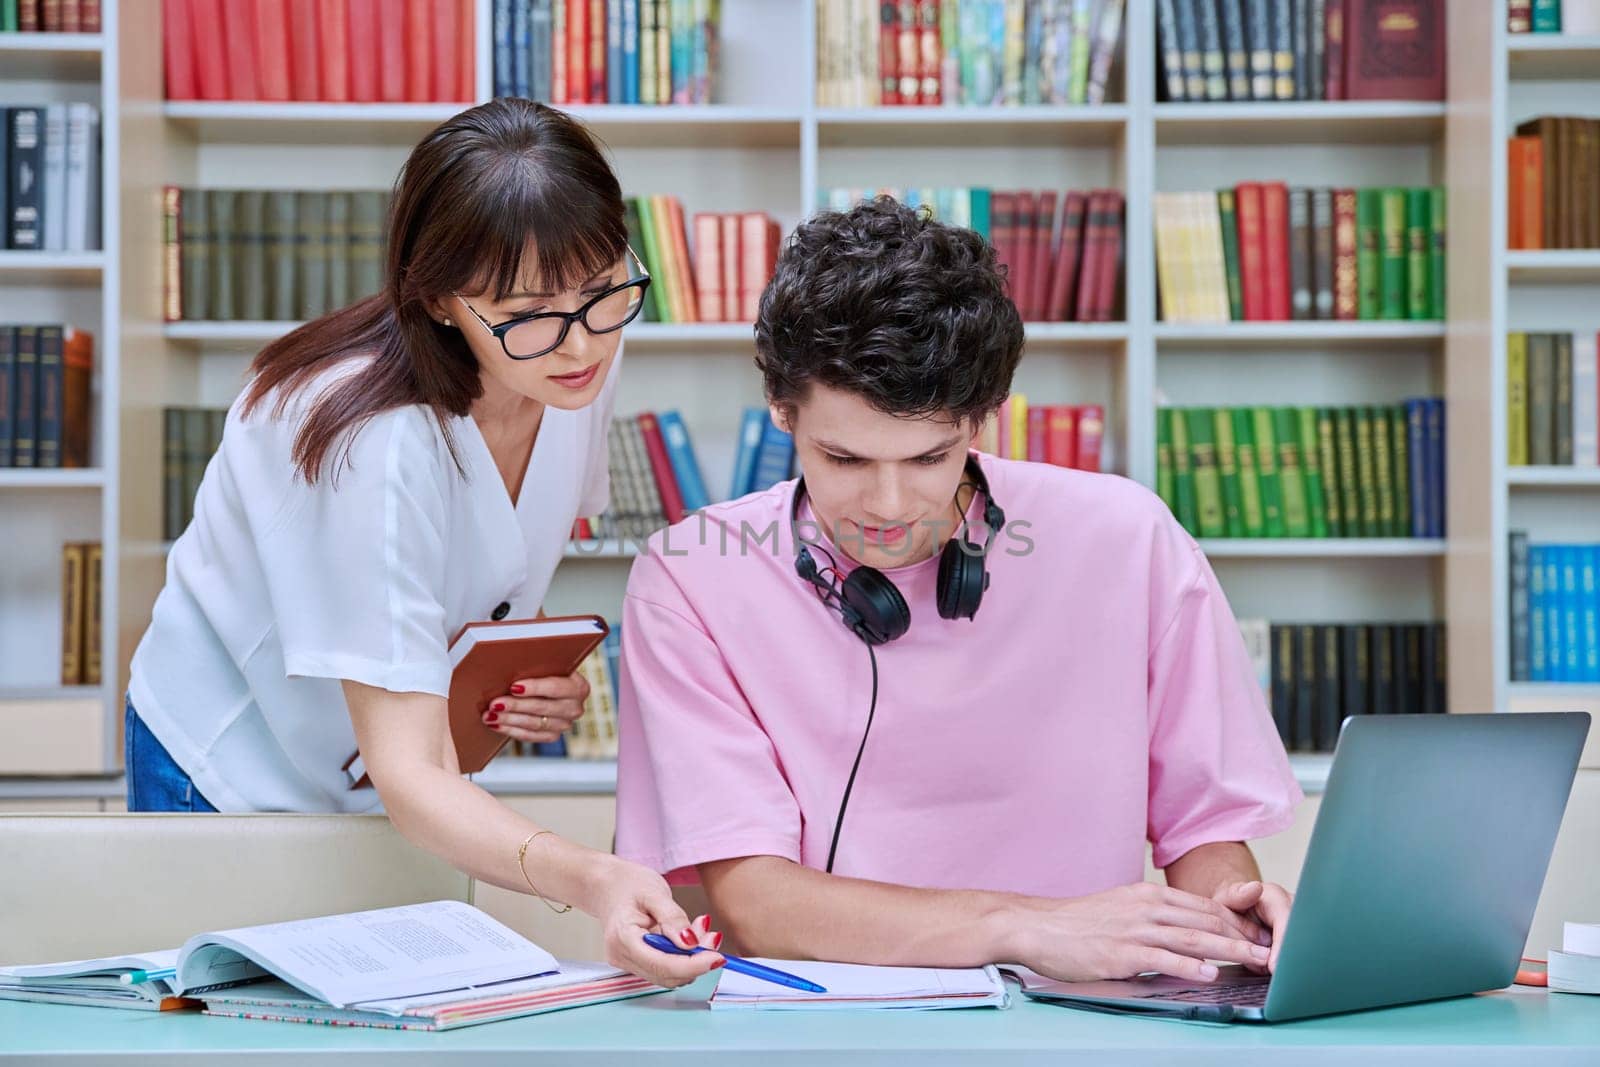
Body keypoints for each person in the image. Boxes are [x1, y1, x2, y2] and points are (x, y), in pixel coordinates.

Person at [613, 196, 1303, 984]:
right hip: (824, 1026)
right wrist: (1030, 927)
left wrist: (1230, 919)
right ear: (782, 412)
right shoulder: (691, 577)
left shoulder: (1129, 538)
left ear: (982, 421)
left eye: (928, 459)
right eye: (844, 460)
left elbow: (1203, 829)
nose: (890, 505)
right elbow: (755, 904)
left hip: (1086, 1017)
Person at [125, 99, 722, 986]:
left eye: (604, 290)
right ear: (440, 299)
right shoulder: (372, 443)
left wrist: (525, 673)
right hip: (232, 758)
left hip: (395, 771)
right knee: (229, 1022)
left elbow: (489, 555)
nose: (582, 339)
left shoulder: (573, 356)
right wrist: (596, 878)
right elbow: (411, 776)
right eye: (529, 312)